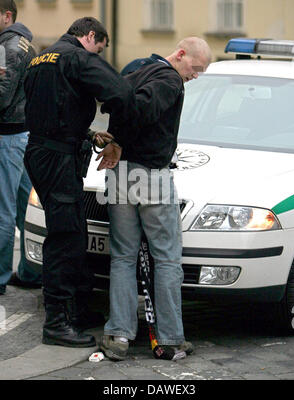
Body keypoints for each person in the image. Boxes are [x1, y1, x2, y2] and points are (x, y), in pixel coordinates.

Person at [23, 17, 137, 348]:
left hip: (42, 151)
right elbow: (121, 93)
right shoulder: (77, 57)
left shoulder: (40, 58)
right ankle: (57, 323)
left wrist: (87, 133)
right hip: (58, 159)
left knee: (74, 230)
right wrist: (120, 137)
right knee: (66, 237)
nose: (98, 53)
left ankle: (78, 308)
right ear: (90, 36)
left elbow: (47, 110)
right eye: (100, 47)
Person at [97, 37, 212, 360]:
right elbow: (143, 108)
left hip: (120, 173)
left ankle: (118, 335)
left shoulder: (136, 69)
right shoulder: (168, 79)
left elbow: (119, 102)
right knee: (166, 259)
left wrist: (117, 140)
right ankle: (171, 337)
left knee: (122, 256)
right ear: (180, 54)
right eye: (195, 68)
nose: (195, 76)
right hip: (151, 175)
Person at [0, 0, 41, 296]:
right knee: (25, 209)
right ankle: (30, 271)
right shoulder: (23, 44)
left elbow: (3, 97)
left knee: (4, 210)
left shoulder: (10, 49)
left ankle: (0, 277)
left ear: (7, 16)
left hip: (8, 138)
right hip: (22, 134)